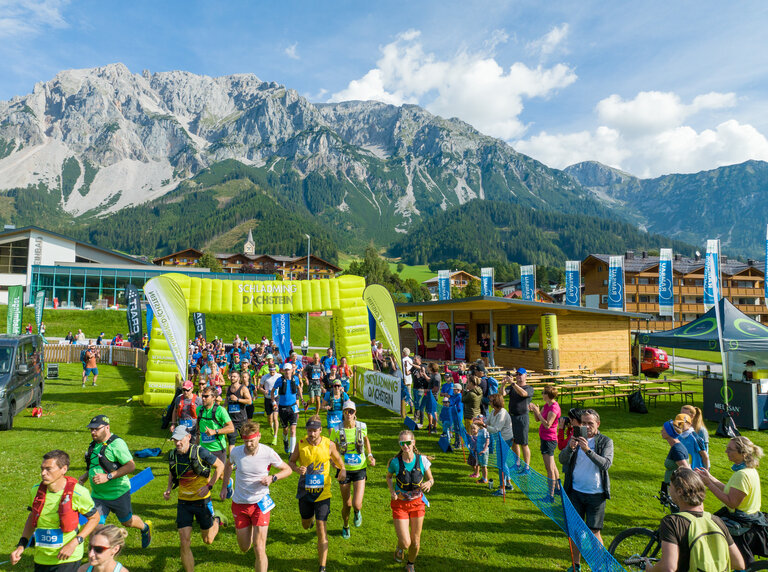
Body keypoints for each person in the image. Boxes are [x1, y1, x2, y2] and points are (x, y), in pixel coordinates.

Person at [220, 421, 293, 572]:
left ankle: (257, 534)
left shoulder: (268, 453)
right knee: (244, 547)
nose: (249, 444)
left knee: (259, 548)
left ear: (259, 436)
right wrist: (224, 486)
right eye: (246, 441)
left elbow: (288, 469)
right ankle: (231, 523)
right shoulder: (236, 452)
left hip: (261, 503)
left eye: (252, 441)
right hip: (240, 503)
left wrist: (273, 478)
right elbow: (228, 465)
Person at [11, 449, 100, 571]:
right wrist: (21, 545)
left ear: (64, 469)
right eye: (42, 468)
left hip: (68, 558)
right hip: (41, 558)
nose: (43, 473)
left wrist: (75, 542)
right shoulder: (36, 491)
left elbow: (95, 518)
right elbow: (32, 516)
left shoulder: (78, 492)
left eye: (48, 469)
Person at [644, 468, 744, 572]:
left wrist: (650, 569)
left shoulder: (672, 522)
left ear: (679, 491)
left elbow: (668, 567)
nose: (669, 490)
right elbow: (739, 563)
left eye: (671, 486)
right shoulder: (716, 520)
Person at [78, 415, 152, 549]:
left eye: (96, 429)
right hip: (99, 496)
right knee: (95, 527)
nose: (93, 432)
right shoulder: (93, 445)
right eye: (91, 429)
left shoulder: (117, 444)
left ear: (107, 427)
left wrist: (108, 477)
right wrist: (84, 477)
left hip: (118, 494)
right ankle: (102, 556)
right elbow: (95, 466)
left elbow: (131, 466)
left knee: (127, 522)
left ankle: (145, 527)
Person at [164, 426, 226, 572]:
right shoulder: (173, 454)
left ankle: (217, 519)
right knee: (184, 541)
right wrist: (168, 488)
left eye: (180, 439)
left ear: (188, 437)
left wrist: (209, 486)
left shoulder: (200, 451)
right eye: (175, 440)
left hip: (202, 501)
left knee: (208, 540)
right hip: (183, 503)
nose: (177, 443)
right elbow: (172, 472)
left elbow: (220, 465)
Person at [288, 416, 347, 572]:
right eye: (309, 430)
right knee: (306, 525)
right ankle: (310, 519)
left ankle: (322, 566)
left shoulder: (329, 444)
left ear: (320, 430)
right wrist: (296, 469)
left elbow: (339, 461)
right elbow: (291, 461)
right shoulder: (300, 444)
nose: (312, 434)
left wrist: (342, 470)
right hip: (305, 492)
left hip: (323, 493)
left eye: (315, 431)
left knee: (322, 529)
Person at [558, 409, 613, 572]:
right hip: (575, 492)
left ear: (598, 424)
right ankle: (576, 565)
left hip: (596, 494)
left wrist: (588, 450)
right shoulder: (575, 438)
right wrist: (570, 447)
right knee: (575, 531)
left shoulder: (605, 441)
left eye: (590, 423)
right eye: (584, 423)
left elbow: (606, 464)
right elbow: (562, 459)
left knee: (594, 531)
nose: (587, 426)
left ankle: (598, 566)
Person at [697, 436, 765, 565]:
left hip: (738, 524)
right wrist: (709, 477)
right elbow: (730, 490)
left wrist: (709, 484)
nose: (726, 452)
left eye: (730, 449)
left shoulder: (742, 475)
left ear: (743, 453)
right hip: (749, 521)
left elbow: (732, 502)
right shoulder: (749, 471)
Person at [386, 430, 434, 572]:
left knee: (416, 540)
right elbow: (389, 477)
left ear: (413, 443)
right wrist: (392, 491)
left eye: (408, 443)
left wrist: (429, 483)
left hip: (417, 503)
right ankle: (400, 547)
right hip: (400, 504)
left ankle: (410, 564)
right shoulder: (395, 462)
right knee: (406, 542)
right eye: (402, 443)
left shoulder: (422, 460)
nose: (405, 446)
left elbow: (431, 479)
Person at [331, 401, 376, 539]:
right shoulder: (336, 429)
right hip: (344, 470)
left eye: (351, 411)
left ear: (355, 413)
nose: (349, 414)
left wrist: (369, 455)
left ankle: (358, 512)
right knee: (347, 504)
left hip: (359, 469)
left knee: (356, 504)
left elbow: (366, 439)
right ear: (343, 413)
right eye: (346, 411)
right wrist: (333, 460)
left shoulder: (362, 426)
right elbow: (332, 446)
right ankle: (345, 526)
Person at [196, 387, 234, 499]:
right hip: (203, 448)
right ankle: (206, 501)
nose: (203, 398)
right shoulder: (199, 410)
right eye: (202, 396)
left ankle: (228, 483)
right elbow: (199, 428)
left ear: (213, 397)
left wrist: (215, 432)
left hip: (218, 448)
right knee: (204, 476)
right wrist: (197, 443)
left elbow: (231, 428)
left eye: (206, 396)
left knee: (221, 475)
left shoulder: (220, 410)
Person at [529, 385, 561, 502]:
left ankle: (550, 495)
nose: (542, 394)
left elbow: (547, 425)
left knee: (549, 469)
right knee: (552, 466)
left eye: (543, 392)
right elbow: (538, 419)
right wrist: (534, 411)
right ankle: (557, 488)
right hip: (544, 438)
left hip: (549, 440)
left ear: (547, 395)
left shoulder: (554, 408)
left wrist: (538, 412)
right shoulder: (547, 405)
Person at [271, 362, 303, 454]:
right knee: (285, 430)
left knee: (293, 430)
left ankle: (291, 452)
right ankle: (286, 442)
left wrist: (302, 399)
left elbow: (299, 388)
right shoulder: (279, 380)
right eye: (285, 370)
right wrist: (274, 402)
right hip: (283, 408)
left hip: (293, 407)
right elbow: (272, 392)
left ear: (292, 370)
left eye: (288, 370)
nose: (287, 372)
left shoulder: (295, 379)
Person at [507, 368, 534, 473]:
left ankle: (527, 467)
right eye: (517, 374)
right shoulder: (512, 387)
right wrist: (504, 384)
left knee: (524, 443)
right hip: (512, 417)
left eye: (520, 374)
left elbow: (523, 394)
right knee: (514, 441)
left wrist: (513, 384)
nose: (518, 376)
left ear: (525, 376)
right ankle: (517, 463)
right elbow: (502, 394)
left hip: (522, 417)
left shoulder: (529, 388)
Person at [487, 393, 514, 496]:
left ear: (496, 402)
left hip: (505, 440)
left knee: (500, 464)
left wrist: (484, 426)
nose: (489, 402)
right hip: (499, 439)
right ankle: (508, 483)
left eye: (491, 401)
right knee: (502, 463)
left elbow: (496, 429)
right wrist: (480, 421)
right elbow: (488, 421)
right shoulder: (493, 411)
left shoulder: (502, 413)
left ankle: (502, 489)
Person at [225, 371, 252, 455]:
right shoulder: (228, 388)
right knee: (231, 441)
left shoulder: (243, 388)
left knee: (246, 439)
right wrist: (222, 407)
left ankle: (248, 456)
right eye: (231, 376)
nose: (233, 378)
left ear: (238, 378)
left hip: (241, 419)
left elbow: (249, 401)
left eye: (235, 377)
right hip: (231, 420)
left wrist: (237, 399)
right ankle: (232, 462)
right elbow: (226, 400)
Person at [662, 420, 690, 492]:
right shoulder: (677, 446)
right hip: (671, 487)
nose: (661, 431)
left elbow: (686, 470)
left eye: (664, 429)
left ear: (669, 432)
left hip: (675, 490)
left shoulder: (676, 450)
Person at [259, 363, 281, 446]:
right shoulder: (265, 377)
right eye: (271, 372)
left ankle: (275, 437)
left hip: (276, 398)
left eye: (273, 371)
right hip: (267, 399)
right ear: (269, 370)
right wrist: (264, 391)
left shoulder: (279, 376)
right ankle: (271, 427)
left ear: (275, 370)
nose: (272, 373)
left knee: (275, 418)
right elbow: (260, 387)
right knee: (270, 419)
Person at [473, 415, 490, 484]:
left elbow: (487, 441)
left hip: (484, 452)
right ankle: (483, 478)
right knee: (482, 465)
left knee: (484, 466)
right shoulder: (479, 430)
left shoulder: (485, 430)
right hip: (479, 450)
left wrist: (484, 450)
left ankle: (485, 479)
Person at [402, 348, 414, 414]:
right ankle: (411, 407)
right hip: (409, 378)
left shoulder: (403, 360)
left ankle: (403, 409)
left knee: (403, 394)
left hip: (404, 378)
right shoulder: (410, 360)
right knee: (409, 394)